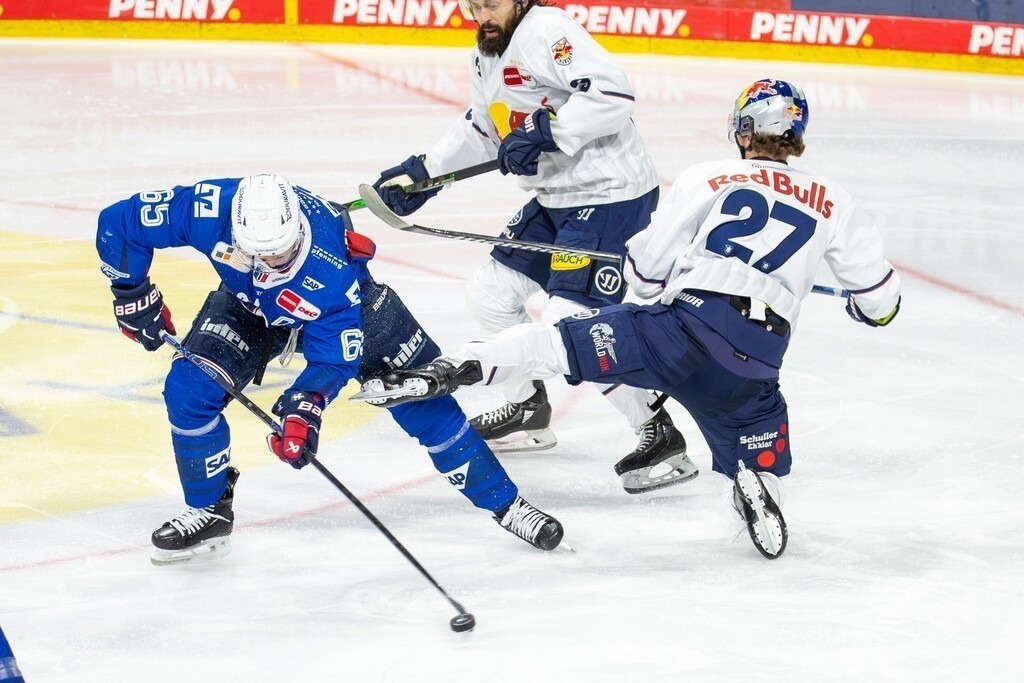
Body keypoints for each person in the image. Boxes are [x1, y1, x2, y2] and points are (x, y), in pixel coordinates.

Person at [352, 78, 903, 560]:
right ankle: (756, 480)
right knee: (760, 452)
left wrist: (655, 291)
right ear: (796, 135)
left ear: (743, 131)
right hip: (755, 365)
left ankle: (450, 371)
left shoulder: (713, 178)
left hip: (678, 332)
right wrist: (862, 306)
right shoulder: (836, 201)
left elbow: (645, 269)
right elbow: (881, 303)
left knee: (556, 341)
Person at [96, 173, 563, 565]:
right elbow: (119, 222)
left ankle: (508, 505)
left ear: (298, 230)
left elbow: (331, 359)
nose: (269, 264)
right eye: (258, 254)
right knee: (187, 390)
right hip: (248, 308)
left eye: (281, 253)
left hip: (349, 313)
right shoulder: (205, 209)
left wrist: (303, 411)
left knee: (424, 399)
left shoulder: (331, 270)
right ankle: (209, 509)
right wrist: (130, 295)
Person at [369, 0, 697, 494]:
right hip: (556, 200)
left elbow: (613, 94)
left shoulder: (548, 31)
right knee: (489, 293)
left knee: (570, 323)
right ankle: (527, 407)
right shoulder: (486, 54)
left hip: (608, 197)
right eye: (473, 4)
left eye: (491, 3)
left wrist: (549, 131)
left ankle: (657, 430)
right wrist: (425, 174)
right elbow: (485, 128)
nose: (482, 14)